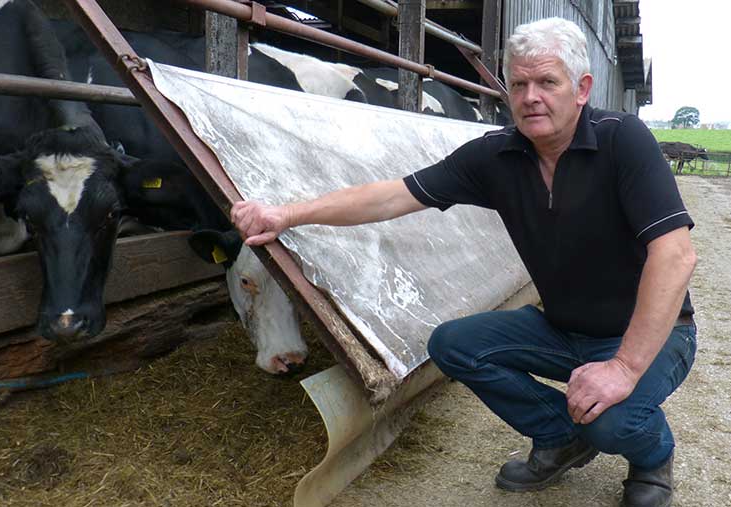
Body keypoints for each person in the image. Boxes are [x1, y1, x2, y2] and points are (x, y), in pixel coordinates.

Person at [231, 17, 697, 507]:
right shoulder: (498, 157)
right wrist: (286, 213)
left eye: (547, 82)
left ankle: (651, 461)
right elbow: (392, 197)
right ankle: (561, 436)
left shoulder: (623, 140)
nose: (531, 96)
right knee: (455, 345)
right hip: (563, 331)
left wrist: (623, 367)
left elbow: (675, 255)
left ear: (581, 89)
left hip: (649, 335)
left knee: (611, 422)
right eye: (518, 84)